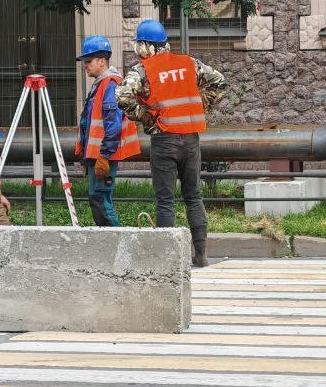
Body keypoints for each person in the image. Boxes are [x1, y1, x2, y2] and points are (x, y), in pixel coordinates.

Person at [117, 19, 227, 266]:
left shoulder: (142, 70)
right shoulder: (189, 64)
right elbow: (219, 81)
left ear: (147, 46)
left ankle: (168, 260)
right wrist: (203, 104)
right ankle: (201, 256)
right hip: (190, 140)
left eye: (139, 46)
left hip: (164, 140)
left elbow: (122, 95)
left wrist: (144, 116)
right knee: (194, 197)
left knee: (166, 200)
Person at [74, 35, 141, 226]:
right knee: (99, 200)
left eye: (88, 61)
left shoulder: (110, 84)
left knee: (101, 201)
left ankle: (119, 245)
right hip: (98, 155)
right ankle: (112, 246)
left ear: (102, 61)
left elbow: (113, 125)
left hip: (103, 155)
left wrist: (103, 156)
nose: (85, 65)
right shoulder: (102, 84)